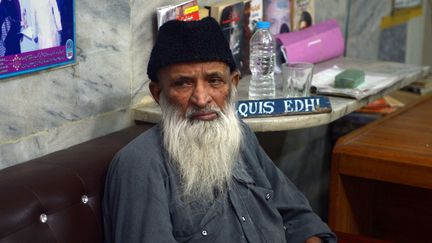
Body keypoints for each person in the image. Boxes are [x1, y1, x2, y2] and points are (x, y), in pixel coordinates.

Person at [102, 17, 336, 243]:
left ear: (232, 84)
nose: (202, 99)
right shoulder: (140, 164)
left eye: (214, 81)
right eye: (183, 83)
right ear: (157, 93)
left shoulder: (239, 135)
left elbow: (298, 216)